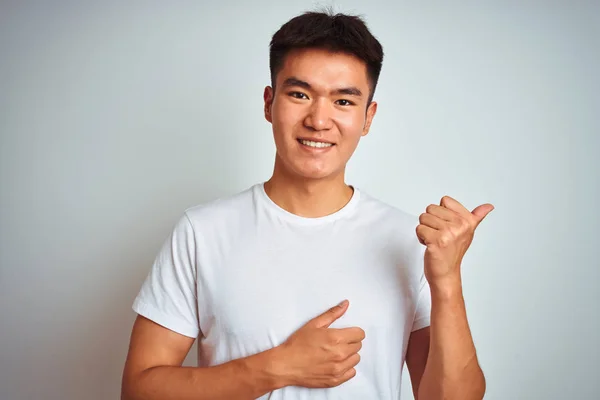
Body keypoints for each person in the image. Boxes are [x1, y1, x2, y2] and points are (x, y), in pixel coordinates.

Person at [121, 9, 492, 400]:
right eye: (299, 94)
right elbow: (139, 389)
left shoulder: (408, 240)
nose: (319, 119)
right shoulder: (202, 232)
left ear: (368, 117)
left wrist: (447, 281)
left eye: (344, 101)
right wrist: (279, 366)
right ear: (269, 103)